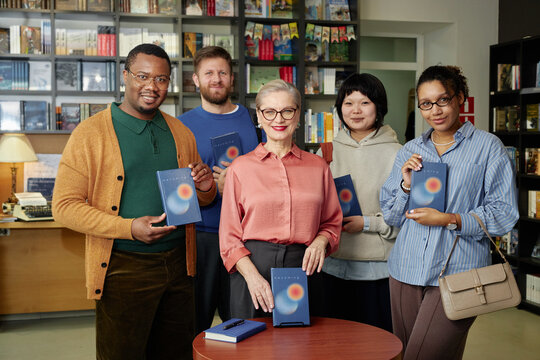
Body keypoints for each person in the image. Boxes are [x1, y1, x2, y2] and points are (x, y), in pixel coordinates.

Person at [52, 43, 217, 360]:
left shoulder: (181, 132)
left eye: (161, 79)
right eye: (143, 76)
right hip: (123, 266)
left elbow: (202, 198)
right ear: (124, 76)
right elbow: (64, 207)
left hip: (180, 265)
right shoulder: (90, 133)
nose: (152, 87)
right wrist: (128, 227)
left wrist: (206, 187)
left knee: (177, 353)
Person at [380, 65, 519, 360]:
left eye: (443, 100)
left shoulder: (488, 148)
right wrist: (405, 185)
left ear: (461, 99)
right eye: (426, 104)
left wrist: (450, 219)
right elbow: (392, 217)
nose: (435, 110)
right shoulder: (410, 150)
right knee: (407, 354)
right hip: (406, 270)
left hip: (460, 273)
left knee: (423, 356)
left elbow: (505, 213)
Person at [219, 79, 342, 319]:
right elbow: (229, 238)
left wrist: (320, 242)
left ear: (298, 116)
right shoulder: (240, 168)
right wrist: (253, 278)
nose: (279, 119)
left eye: (287, 111)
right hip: (252, 269)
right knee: (253, 351)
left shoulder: (318, 166)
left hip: (304, 268)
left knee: (304, 349)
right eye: (270, 111)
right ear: (259, 116)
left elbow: (332, 222)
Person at [178, 46, 260, 334]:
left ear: (232, 78)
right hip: (201, 237)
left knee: (242, 322)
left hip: (248, 237)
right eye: (209, 73)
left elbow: (269, 174)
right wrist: (207, 188)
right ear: (196, 80)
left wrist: (235, 186)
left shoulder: (255, 120)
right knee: (194, 323)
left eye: (223, 72)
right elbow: (176, 187)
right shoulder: (181, 126)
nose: (217, 79)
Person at [316, 73, 401, 331]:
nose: (355, 110)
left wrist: (367, 223)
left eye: (364, 102)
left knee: (377, 346)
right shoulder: (326, 151)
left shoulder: (399, 153)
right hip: (331, 268)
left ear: (379, 107)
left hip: (380, 273)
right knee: (334, 345)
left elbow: (410, 214)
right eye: (348, 102)